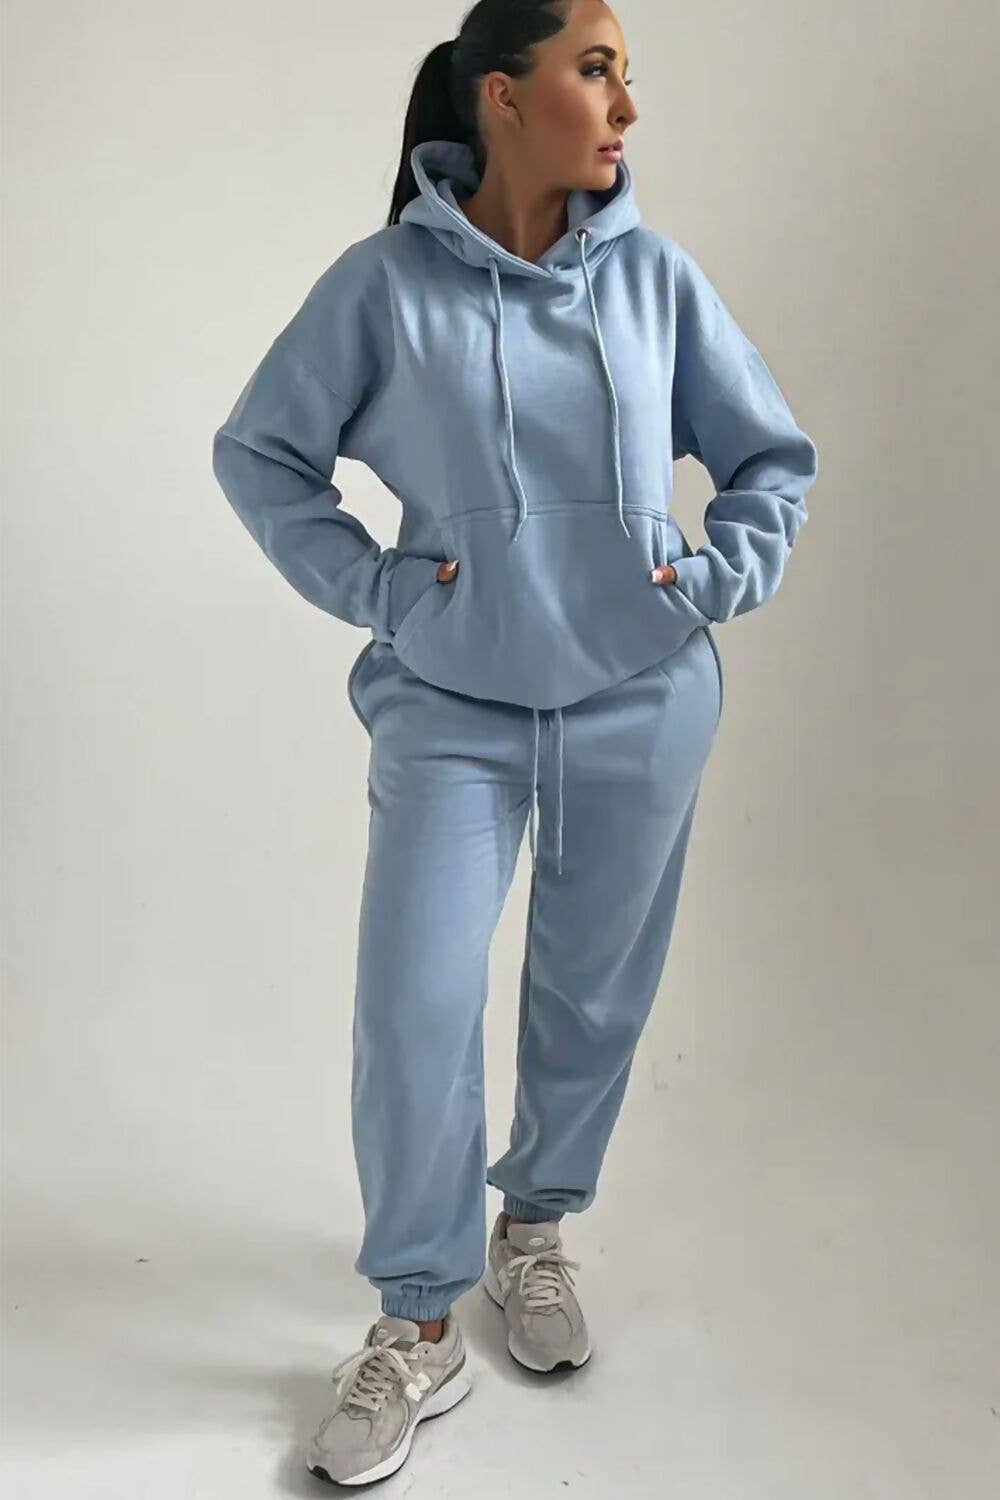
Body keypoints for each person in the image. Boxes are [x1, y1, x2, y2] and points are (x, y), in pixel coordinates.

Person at [212, 0, 818, 1485]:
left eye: (627, 77)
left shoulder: (657, 280)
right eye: (595, 71)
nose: (624, 108)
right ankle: (416, 1323)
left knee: (591, 997)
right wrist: (382, 590)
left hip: (641, 697)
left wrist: (704, 578)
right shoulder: (383, 286)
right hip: (451, 706)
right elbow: (261, 452)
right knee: (416, 1003)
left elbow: (771, 459)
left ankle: (533, 1232)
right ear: (502, 94)